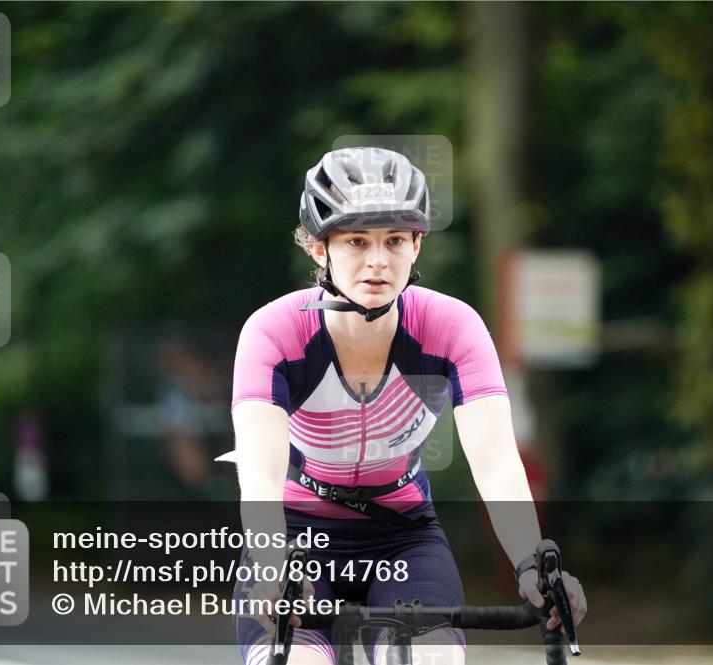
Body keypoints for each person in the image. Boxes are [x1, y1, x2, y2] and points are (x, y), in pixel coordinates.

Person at [229, 148, 586, 665]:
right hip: (297, 533)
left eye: (395, 240)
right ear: (316, 246)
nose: (378, 261)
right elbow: (260, 477)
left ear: (417, 244)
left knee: (431, 660)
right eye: (356, 241)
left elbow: (496, 463)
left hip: (404, 535)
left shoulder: (450, 326)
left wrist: (532, 567)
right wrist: (269, 564)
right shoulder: (275, 332)